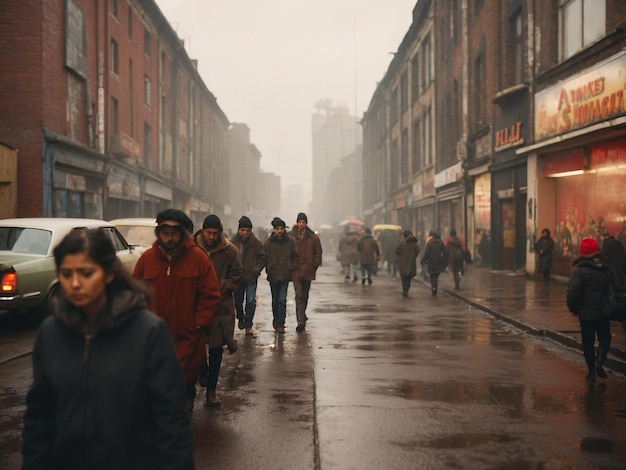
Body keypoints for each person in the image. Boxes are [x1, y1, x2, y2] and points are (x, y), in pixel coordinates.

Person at [23, 229, 194, 469]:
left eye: (86, 273)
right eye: (66, 273)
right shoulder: (50, 334)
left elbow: (171, 421)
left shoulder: (147, 332)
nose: (74, 283)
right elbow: (39, 418)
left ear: (109, 274)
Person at [133, 208, 221, 411]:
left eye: (174, 232)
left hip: (187, 335)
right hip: (156, 335)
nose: (170, 237)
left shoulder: (198, 259)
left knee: (184, 383)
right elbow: (134, 294)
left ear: (182, 233)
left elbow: (210, 294)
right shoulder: (147, 260)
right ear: (159, 233)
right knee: (157, 384)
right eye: (165, 232)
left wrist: (198, 323)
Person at [194, 214, 243, 406]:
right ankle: (201, 372)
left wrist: (218, 286)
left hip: (220, 307)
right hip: (196, 306)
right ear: (202, 231)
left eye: (215, 233)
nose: (212, 237)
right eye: (208, 233)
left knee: (216, 350)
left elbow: (237, 274)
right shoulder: (192, 249)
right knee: (196, 347)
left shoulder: (230, 251)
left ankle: (212, 391)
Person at [567, 237, 616, 385]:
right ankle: (600, 360)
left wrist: (573, 309)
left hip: (586, 314)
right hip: (603, 312)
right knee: (605, 338)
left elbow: (573, 293)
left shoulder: (579, 271)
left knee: (588, 343)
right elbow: (616, 288)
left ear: (582, 253)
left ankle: (591, 372)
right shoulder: (606, 268)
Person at [230, 216, 267, 335]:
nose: (245, 233)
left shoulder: (256, 243)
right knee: (237, 302)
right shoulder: (232, 242)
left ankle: (248, 325)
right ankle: (241, 318)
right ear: (238, 229)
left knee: (251, 301)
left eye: (248, 230)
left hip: (251, 277)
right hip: (237, 278)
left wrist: (255, 270)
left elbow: (263, 258)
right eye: (243, 230)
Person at [264, 217, 299, 334]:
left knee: (282, 300)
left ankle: (281, 323)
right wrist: (269, 267)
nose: (279, 231)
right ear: (274, 230)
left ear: (284, 229)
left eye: (281, 228)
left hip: (285, 275)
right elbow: (264, 257)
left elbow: (296, 257)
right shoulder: (268, 243)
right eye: (277, 228)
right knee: (275, 300)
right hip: (273, 275)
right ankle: (276, 318)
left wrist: (290, 267)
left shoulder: (290, 242)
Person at [290, 212, 323, 332]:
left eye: (303, 222)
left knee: (305, 295)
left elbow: (318, 252)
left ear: (306, 223)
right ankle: (300, 321)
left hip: (308, 270)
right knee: (298, 295)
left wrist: (314, 265)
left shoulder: (313, 237)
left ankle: (302, 315)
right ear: (297, 223)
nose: (301, 224)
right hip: (296, 270)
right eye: (299, 222)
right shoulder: (292, 237)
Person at [421, 230, 448, 296]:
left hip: (431, 261)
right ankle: (435, 286)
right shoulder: (441, 243)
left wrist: (423, 260)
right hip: (439, 261)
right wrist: (444, 259)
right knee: (436, 274)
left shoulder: (430, 243)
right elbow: (445, 251)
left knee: (432, 275)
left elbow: (426, 253)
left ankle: (433, 286)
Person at [396, 230, 420, 297]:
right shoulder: (414, 243)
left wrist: (401, 255)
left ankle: (404, 290)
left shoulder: (402, 243)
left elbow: (397, 250)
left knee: (404, 278)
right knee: (408, 278)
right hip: (411, 263)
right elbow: (417, 250)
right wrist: (414, 256)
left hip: (403, 262)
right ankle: (406, 289)